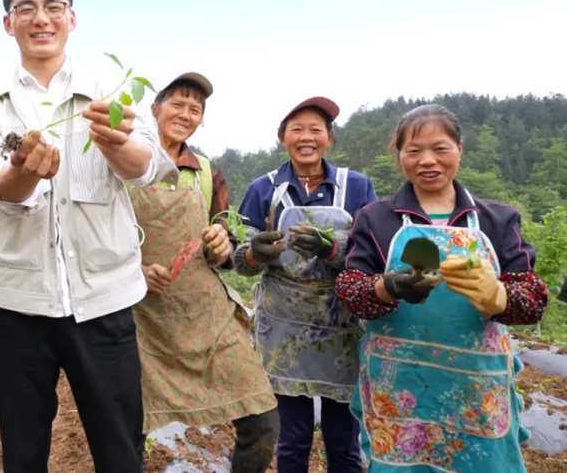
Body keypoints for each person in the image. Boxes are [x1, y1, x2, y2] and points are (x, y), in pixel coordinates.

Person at [0, 0, 174, 473]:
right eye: (26, 8)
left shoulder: (109, 88)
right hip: (20, 306)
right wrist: (25, 170)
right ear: (8, 22)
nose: (41, 19)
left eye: (53, 7)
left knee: (120, 446)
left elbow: (146, 166)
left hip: (104, 300)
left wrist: (116, 143)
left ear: (72, 18)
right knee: (23, 446)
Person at [337, 104, 548, 472]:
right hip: (400, 384)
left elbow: (531, 298)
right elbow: (351, 288)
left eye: (440, 148)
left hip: (476, 385)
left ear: (460, 150)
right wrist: (387, 288)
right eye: (414, 151)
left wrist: (498, 296)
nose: (427, 161)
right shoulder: (375, 218)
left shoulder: (496, 219)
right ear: (399, 156)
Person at [131, 73, 280, 472]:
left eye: (194, 109)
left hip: (206, 316)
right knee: (128, 429)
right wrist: (135, 271)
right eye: (176, 104)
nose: (185, 113)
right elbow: (93, 242)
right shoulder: (125, 162)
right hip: (142, 320)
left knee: (263, 421)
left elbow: (227, 251)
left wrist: (222, 244)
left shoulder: (205, 171)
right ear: (154, 109)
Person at [234, 96, 377, 473]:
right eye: (297, 129)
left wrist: (331, 249)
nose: (306, 137)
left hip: (341, 327)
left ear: (329, 138)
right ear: (283, 138)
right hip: (283, 327)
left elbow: (372, 256)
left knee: (343, 442)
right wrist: (257, 254)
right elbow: (239, 261)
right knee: (292, 439)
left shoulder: (357, 186)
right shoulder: (263, 189)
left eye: (316, 129)